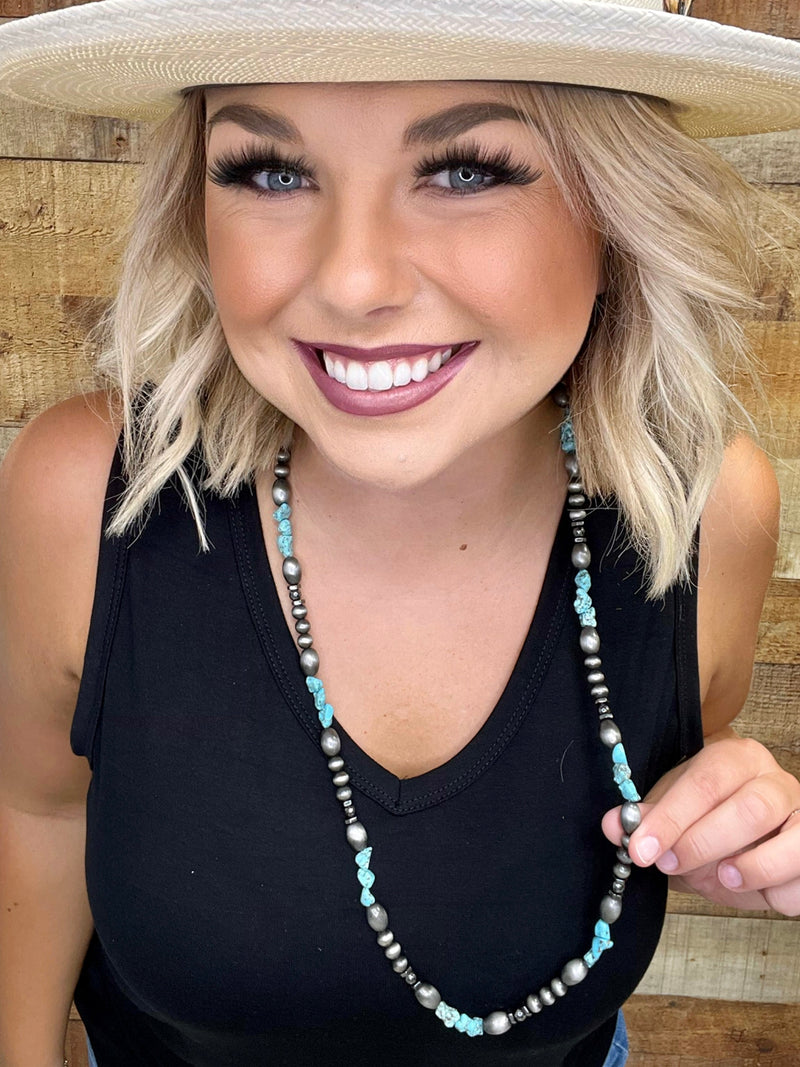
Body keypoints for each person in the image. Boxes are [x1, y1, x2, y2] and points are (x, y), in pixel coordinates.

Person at [0, 1, 799, 1065]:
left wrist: (735, 828)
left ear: (617, 216)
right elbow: (37, 811)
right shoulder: (89, 496)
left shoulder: (700, 511)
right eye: (270, 172)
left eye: (464, 171)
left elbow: (670, 789)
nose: (353, 280)